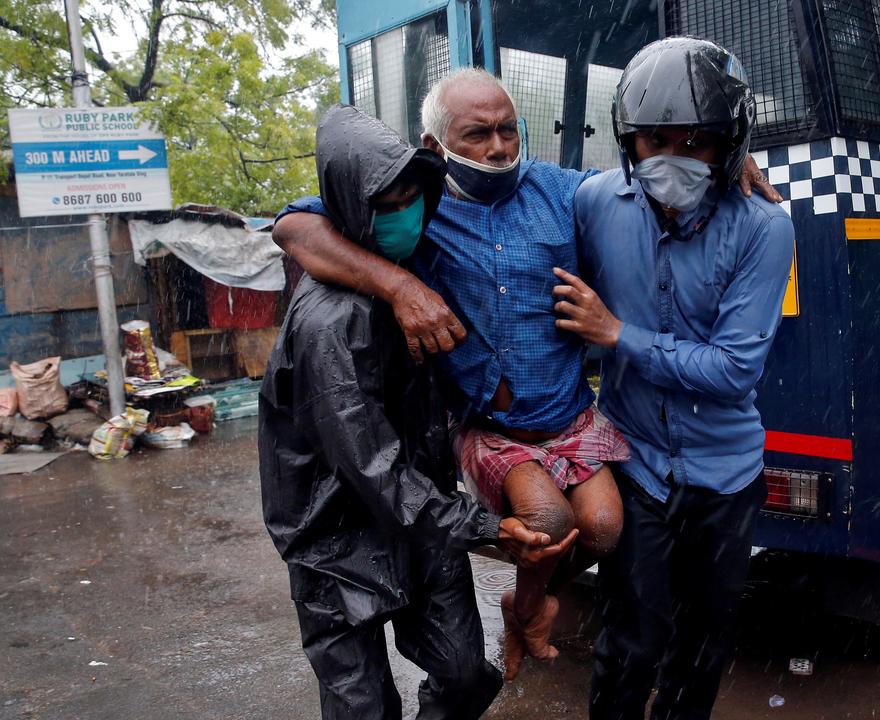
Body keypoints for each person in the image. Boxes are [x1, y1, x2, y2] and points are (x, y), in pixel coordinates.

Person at [258, 105, 573, 720]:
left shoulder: (415, 265)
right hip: (335, 535)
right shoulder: (331, 322)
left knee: (464, 676)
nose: (405, 212)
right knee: (362, 706)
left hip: (421, 519)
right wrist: (487, 527)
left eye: (412, 195)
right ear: (350, 208)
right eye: (387, 201)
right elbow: (370, 467)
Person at [551, 38, 796, 719]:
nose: (674, 159)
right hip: (637, 463)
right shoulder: (596, 200)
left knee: (704, 646)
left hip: (727, 474)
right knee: (630, 642)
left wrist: (617, 333)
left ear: (731, 143)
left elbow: (733, 370)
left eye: (698, 142)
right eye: (655, 140)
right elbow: (502, 208)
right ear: (628, 141)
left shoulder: (764, 229)